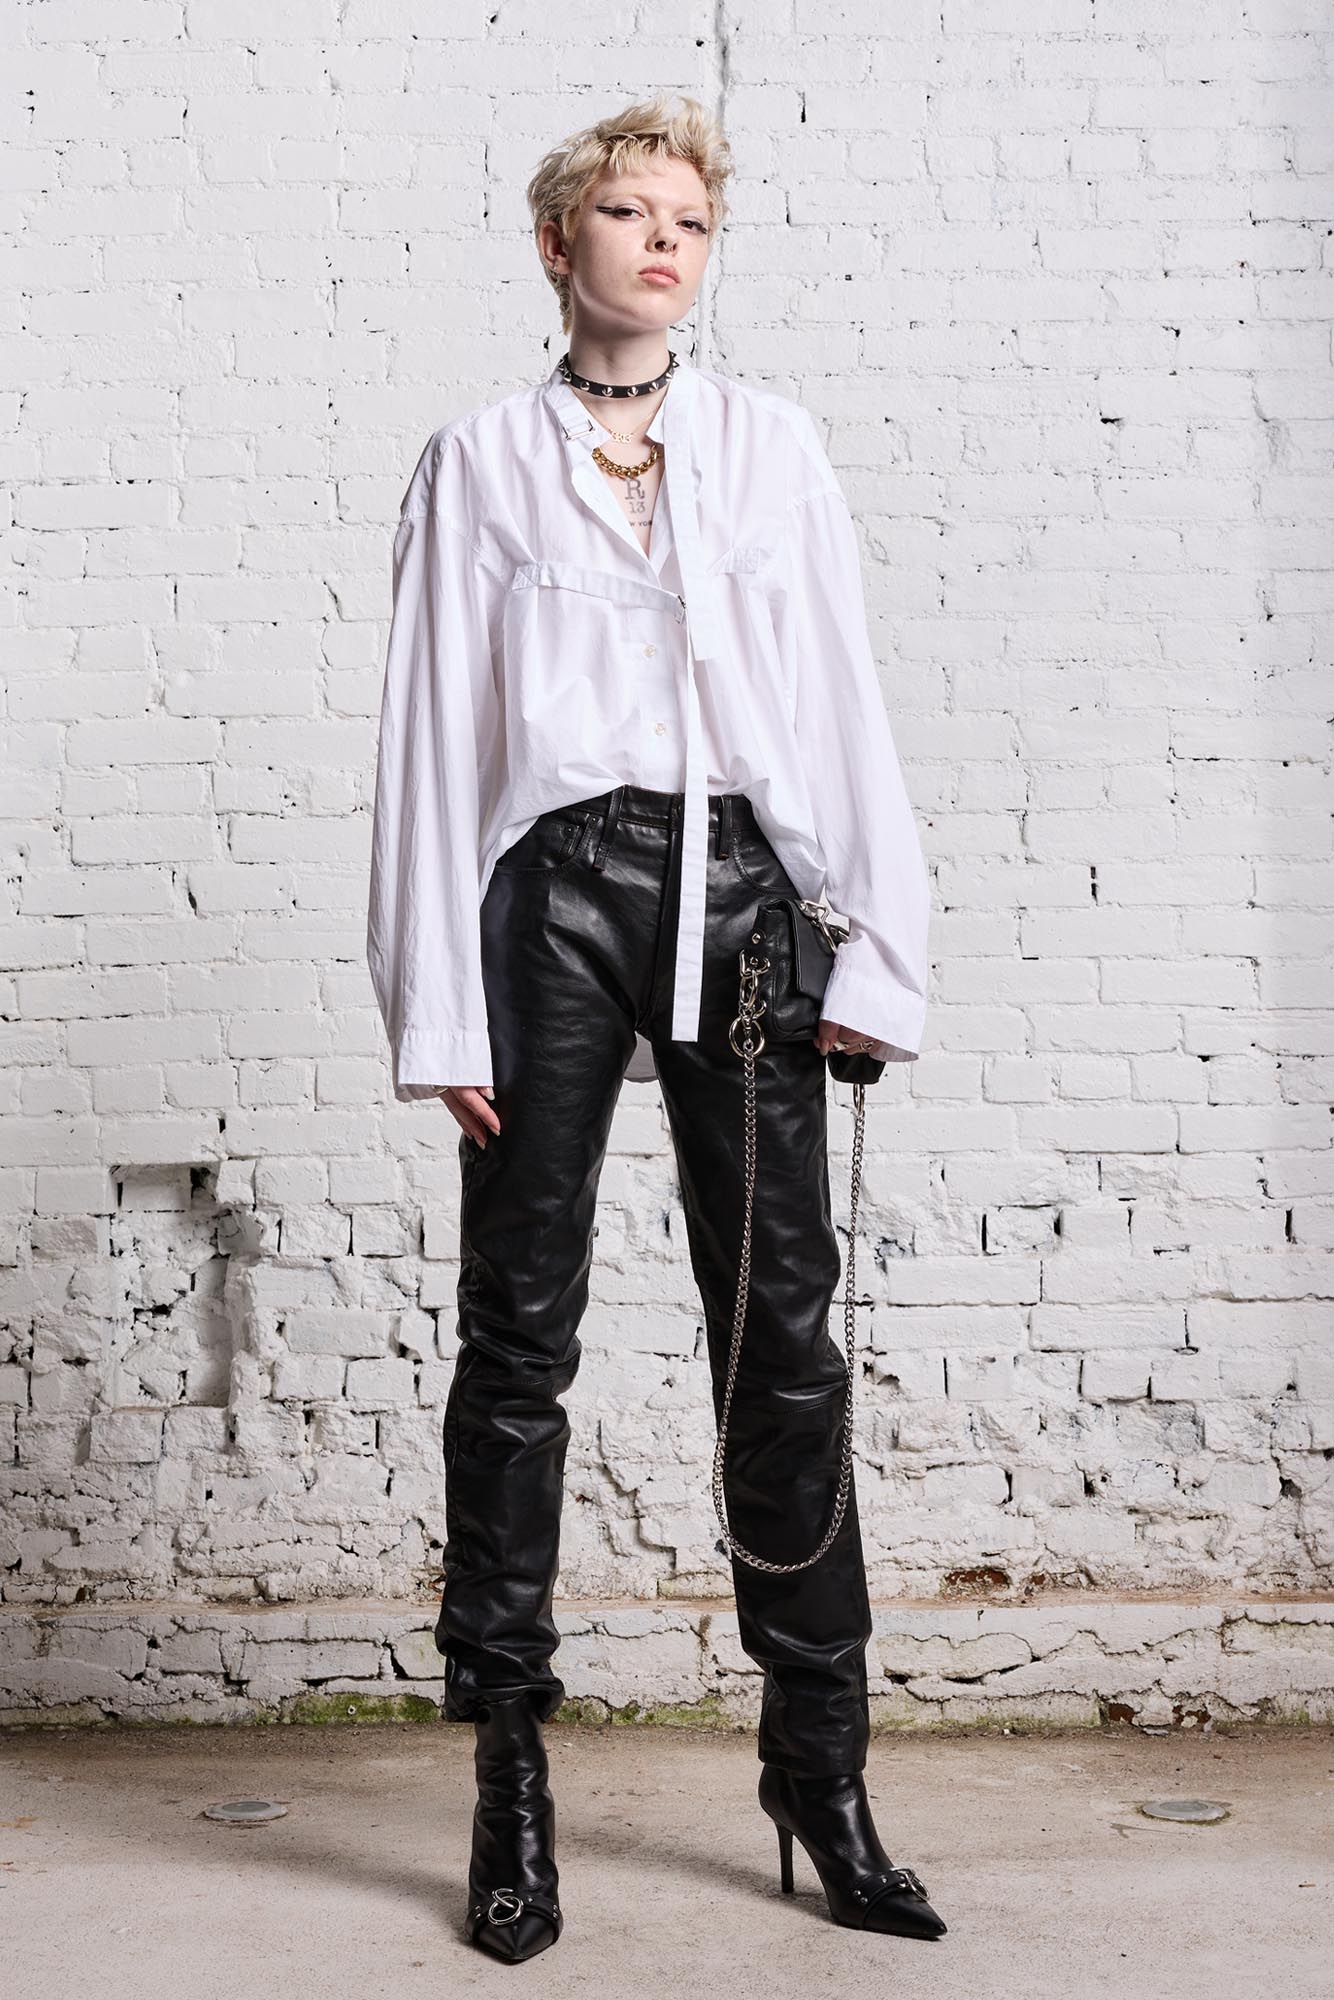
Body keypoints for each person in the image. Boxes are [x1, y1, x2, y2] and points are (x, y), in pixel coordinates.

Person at [366, 92, 943, 1962]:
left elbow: (836, 692)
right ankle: (509, 1783)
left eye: (689, 218)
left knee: (782, 1342)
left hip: (746, 897)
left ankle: (820, 1772)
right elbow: (429, 737)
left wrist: (877, 949)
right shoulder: (478, 460)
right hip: (552, 899)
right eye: (628, 213)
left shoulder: (772, 447)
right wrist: (434, 998)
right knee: (515, 1342)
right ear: (561, 244)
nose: (663, 242)